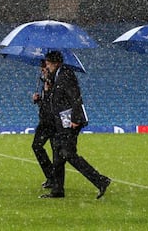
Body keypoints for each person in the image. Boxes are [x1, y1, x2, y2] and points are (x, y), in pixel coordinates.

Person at [39, 51, 111, 199]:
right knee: (58, 156)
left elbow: (75, 97)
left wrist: (76, 119)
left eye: (48, 63)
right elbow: (55, 98)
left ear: (55, 63)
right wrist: (46, 85)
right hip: (61, 124)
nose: (46, 66)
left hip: (70, 123)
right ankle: (58, 191)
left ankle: (100, 180)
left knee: (68, 154)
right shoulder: (56, 76)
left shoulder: (66, 75)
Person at [32, 60, 55, 189]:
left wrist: (45, 95)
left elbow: (53, 104)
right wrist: (39, 99)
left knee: (56, 151)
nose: (43, 70)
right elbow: (46, 105)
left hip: (51, 121)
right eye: (42, 68)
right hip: (45, 121)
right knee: (37, 146)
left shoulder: (53, 83)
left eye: (45, 67)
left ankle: (53, 178)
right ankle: (52, 177)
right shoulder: (44, 84)